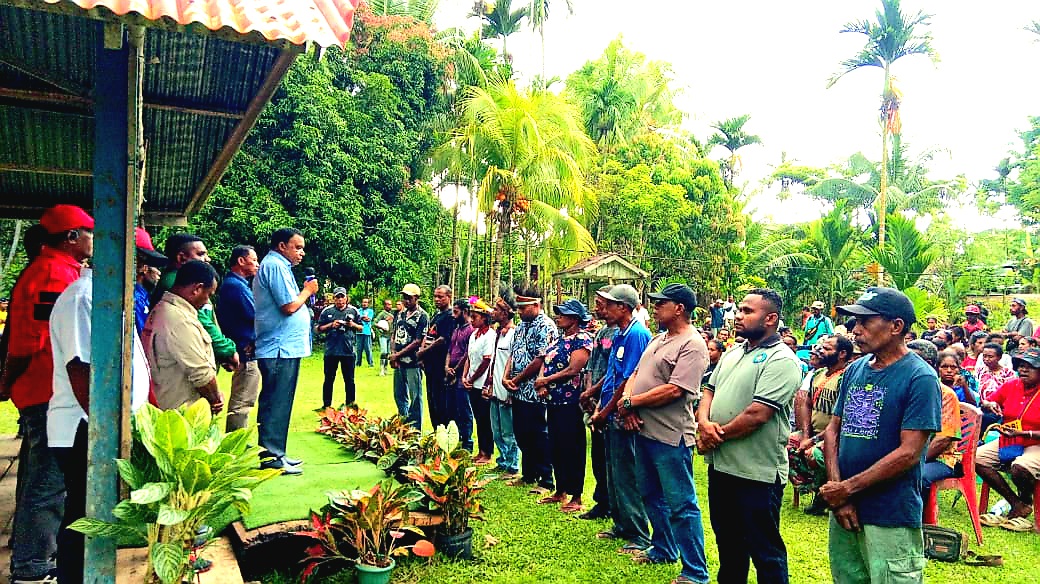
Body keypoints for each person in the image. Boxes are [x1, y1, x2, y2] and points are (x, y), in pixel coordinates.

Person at [821, 287, 940, 584]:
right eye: (854, 323)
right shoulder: (856, 369)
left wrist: (846, 489)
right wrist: (839, 492)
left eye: (865, 322)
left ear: (896, 326)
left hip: (890, 513)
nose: (856, 330)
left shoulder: (920, 378)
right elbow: (834, 429)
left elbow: (909, 452)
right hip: (845, 508)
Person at [1, 205, 92, 584]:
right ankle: (32, 566)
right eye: (88, 232)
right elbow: (28, 340)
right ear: (71, 236)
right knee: (49, 483)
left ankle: (30, 554)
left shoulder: (60, 271)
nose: (93, 239)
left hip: (47, 390)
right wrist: (7, 382)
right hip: (49, 391)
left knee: (40, 477)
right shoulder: (54, 274)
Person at [49, 255, 151, 584]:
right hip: (84, 428)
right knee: (84, 517)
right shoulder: (84, 297)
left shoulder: (106, 296)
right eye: (143, 264)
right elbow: (81, 371)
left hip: (96, 426)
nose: (147, 272)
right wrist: (105, 433)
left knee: (91, 514)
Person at [698, 288, 802, 583]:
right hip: (722, 467)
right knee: (729, 545)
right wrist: (704, 423)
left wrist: (715, 435)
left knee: (765, 551)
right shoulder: (735, 351)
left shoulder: (782, 360)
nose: (738, 316)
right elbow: (709, 389)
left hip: (757, 474)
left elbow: (758, 414)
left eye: (746, 311)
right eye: (739, 310)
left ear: (770, 318)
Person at [618, 284, 710, 584]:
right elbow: (635, 374)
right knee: (650, 495)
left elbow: (676, 389)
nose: (654, 307)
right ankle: (664, 549)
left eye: (661, 303)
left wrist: (632, 402)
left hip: (671, 436)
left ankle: (695, 571)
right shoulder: (660, 338)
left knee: (682, 504)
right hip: (645, 431)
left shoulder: (693, 344)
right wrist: (628, 405)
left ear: (679, 308)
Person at [588, 283, 652, 556]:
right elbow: (612, 373)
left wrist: (606, 411)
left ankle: (638, 533)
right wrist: (595, 396)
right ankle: (621, 524)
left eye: (609, 305)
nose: (603, 310)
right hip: (610, 412)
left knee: (627, 475)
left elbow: (629, 378)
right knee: (613, 472)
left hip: (622, 414)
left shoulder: (637, 334)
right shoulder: (620, 334)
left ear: (623, 308)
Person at [254, 228, 318, 475]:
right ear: (282, 246)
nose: (301, 252)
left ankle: (277, 452)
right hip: (279, 348)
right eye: (297, 247)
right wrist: (308, 291)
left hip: (283, 347)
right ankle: (271, 456)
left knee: (278, 401)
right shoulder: (276, 267)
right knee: (276, 402)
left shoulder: (279, 267)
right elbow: (289, 306)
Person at [144, 260, 224, 413]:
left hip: (167, 404)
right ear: (197, 288)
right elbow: (201, 375)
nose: (207, 301)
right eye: (208, 294)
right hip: (179, 412)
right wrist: (215, 400)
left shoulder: (165, 310)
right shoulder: (180, 320)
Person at [149, 233, 238, 371]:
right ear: (181, 257)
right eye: (201, 254)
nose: (207, 259)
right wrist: (226, 350)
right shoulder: (176, 284)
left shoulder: (190, 282)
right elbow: (202, 321)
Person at [535, 299, 592, 513]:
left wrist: (546, 381)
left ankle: (576, 495)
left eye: (563, 314)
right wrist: (541, 382)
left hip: (571, 401)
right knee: (556, 445)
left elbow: (573, 369)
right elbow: (545, 362)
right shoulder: (558, 338)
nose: (558, 316)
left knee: (572, 446)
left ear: (575, 318)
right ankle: (560, 490)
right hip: (553, 400)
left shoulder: (582, 339)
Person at [976, 347, 1040, 532]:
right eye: (1021, 366)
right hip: (1010, 439)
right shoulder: (1012, 385)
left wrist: (1025, 434)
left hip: (1035, 443)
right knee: (976, 458)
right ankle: (1017, 504)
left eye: (1031, 367)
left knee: (1021, 467)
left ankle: (1026, 499)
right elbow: (986, 402)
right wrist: (990, 404)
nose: (1024, 370)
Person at [789, 334, 854, 516]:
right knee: (786, 445)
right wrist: (805, 435)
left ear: (842, 354)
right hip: (815, 433)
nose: (820, 352)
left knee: (815, 454)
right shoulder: (818, 374)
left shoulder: (846, 378)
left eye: (827, 349)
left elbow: (844, 418)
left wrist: (814, 441)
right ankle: (812, 487)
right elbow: (808, 403)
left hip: (836, 436)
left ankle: (823, 495)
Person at [502, 285, 557, 494]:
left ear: (536, 305)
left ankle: (546, 479)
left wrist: (516, 378)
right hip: (518, 390)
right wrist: (506, 377)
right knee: (521, 433)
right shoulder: (522, 325)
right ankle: (529, 473)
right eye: (518, 308)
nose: (519, 311)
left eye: (523, 308)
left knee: (538, 434)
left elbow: (541, 358)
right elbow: (513, 353)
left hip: (536, 391)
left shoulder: (546, 326)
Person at [579, 286, 618, 521]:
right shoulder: (601, 332)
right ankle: (601, 501)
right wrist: (588, 392)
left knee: (610, 457)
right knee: (598, 455)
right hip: (595, 399)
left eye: (599, 303)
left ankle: (612, 503)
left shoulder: (623, 334)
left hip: (608, 401)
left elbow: (615, 372)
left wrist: (596, 393)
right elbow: (593, 365)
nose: (596, 307)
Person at [217, 245, 261, 432]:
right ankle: (235, 445)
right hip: (245, 351)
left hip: (242, 348)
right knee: (242, 402)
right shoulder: (236, 286)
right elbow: (256, 315)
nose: (257, 265)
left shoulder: (236, 284)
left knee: (242, 400)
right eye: (254, 260)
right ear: (241, 261)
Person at [920, 351, 964, 503]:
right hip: (908, 454)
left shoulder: (946, 395)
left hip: (941, 458)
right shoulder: (909, 388)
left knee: (918, 476)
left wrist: (914, 461)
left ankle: (920, 522)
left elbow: (943, 439)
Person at [487, 294, 519, 476]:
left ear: (507, 313)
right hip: (495, 391)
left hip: (506, 391)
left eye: (498, 309)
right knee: (497, 430)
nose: (494, 311)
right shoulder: (498, 333)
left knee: (508, 431)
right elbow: (494, 361)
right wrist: (490, 383)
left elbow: (513, 362)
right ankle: (502, 460)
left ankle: (513, 465)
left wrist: (509, 391)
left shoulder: (513, 333)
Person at [389, 284, 428, 429]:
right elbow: (394, 334)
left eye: (409, 298)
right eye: (404, 297)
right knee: (399, 395)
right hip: (399, 362)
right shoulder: (400, 314)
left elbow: (418, 341)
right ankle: (403, 425)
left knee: (415, 397)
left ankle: (415, 429)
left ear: (416, 298)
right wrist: (393, 354)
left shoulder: (422, 316)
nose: (406, 301)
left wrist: (397, 354)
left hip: (413, 362)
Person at [316, 288, 362, 409]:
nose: (340, 300)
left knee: (349, 380)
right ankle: (326, 406)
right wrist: (332, 325)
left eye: (342, 297)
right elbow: (318, 329)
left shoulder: (353, 311)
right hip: (331, 351)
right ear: (334, 298)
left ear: (346, 298)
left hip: (348, 351)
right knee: (328, 380)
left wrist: (351, 325)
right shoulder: (327, 311)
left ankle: (350, 406)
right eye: (337, 297)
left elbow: (362, 328)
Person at [461, 298, 495, 464]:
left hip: (482, 383)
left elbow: (486, 361)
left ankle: (487, 452)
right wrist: (465, 376)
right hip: (472, 382)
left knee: (485, 419)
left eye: (475, 317)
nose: (471, 320)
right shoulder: (474, 335)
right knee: (478, 418)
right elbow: (468, 357)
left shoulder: (490, 335)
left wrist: (472, 378)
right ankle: (481, 451)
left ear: (484, 318)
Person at [420, 285, 456, 429]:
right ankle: (436, 431)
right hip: (430, 366)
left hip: (440, 366)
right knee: (432, 400)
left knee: (441, 402)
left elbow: (442, 340)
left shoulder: (450, 316)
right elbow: (428, 335)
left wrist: (423, 352)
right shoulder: (436, 315)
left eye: (440, 297)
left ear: (449, 297)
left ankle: (444, 432)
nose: (437, 299)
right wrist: (422, 355)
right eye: (435, 296)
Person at [445, 299, 474, 448]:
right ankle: (456, 440)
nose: (453, 315)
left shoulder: (470, 330)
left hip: (462, 375)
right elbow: (450, 350)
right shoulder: (456, 330)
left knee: (464, 410)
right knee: (452, 409)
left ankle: (467, 442)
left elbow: (467, 353)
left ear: (465, 311)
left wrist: (455, 370)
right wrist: (446, 366)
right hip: (450, 374)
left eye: (456, 312)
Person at [133, 227, 166, 336]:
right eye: (155, 266)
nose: (159, 273)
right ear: (143, 267)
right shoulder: (134, 298)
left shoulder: (143, 296)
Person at [375, 299, 394, 376]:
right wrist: (382, 327)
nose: (390, 306)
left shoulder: (392, 314)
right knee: (384, 352)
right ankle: (381, 369)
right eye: (388, 304)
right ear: (384, 305)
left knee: (388, 353)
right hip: (383, 336)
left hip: (390, 336)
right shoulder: (382, 314)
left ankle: (386, 368)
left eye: (390, 304)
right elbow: (374, 322)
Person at [355, 298, 375, 368]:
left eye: (366, 302)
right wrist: (362, 317)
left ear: (368, 304)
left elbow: (368, 319)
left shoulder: (370, 311)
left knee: (368, 349)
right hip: (359, 332)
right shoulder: (358, 310)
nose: (364, 304)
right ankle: (358, 363)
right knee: (358, 349)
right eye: (363, 302)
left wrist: (361, 317)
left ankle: (370, 363)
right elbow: (356, 319)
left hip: (367, 332)